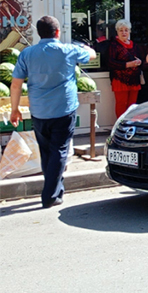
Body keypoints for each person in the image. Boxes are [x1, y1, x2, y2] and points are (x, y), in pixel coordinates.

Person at [9, 16, 96, 208]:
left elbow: (16, 85)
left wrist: (14, 110)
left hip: (39, 110)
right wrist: (86, 46)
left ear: (39, 33)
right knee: (59, 150)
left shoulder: (27, 53)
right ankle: (49, 195)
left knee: (47, 151)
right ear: (57, 32)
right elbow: (92, 55)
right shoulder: (68, 50)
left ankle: (56, 190)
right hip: (63, 109)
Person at [107, 19, 142, 118]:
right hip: (120, 80)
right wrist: (128, 64)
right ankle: (120, 127)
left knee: (133, 106)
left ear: (130, 31)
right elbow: (111, 63)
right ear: (117, 31)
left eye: (126, 30)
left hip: (134, 79)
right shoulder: (114, 45)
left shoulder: (134, 45)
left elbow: (140, 58)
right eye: (121, 30)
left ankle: (130, 126)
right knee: (121, 105)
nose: (124, 32)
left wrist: (139, 62)